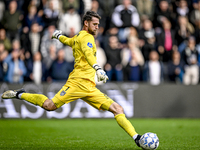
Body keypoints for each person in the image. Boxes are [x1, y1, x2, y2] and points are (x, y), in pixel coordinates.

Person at [1, 11, 142, 148]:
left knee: (118, 109)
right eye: (94, 24)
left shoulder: (78, 37)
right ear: (86, 23)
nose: (97, 27)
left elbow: (69, 41)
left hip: (90, 87)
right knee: (50, 106)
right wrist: (98, 68)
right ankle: (21, 94)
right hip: (76, 84)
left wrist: (58, 36)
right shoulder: (86, 38)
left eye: (98, 24)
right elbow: (88, 54)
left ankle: (137, 138)